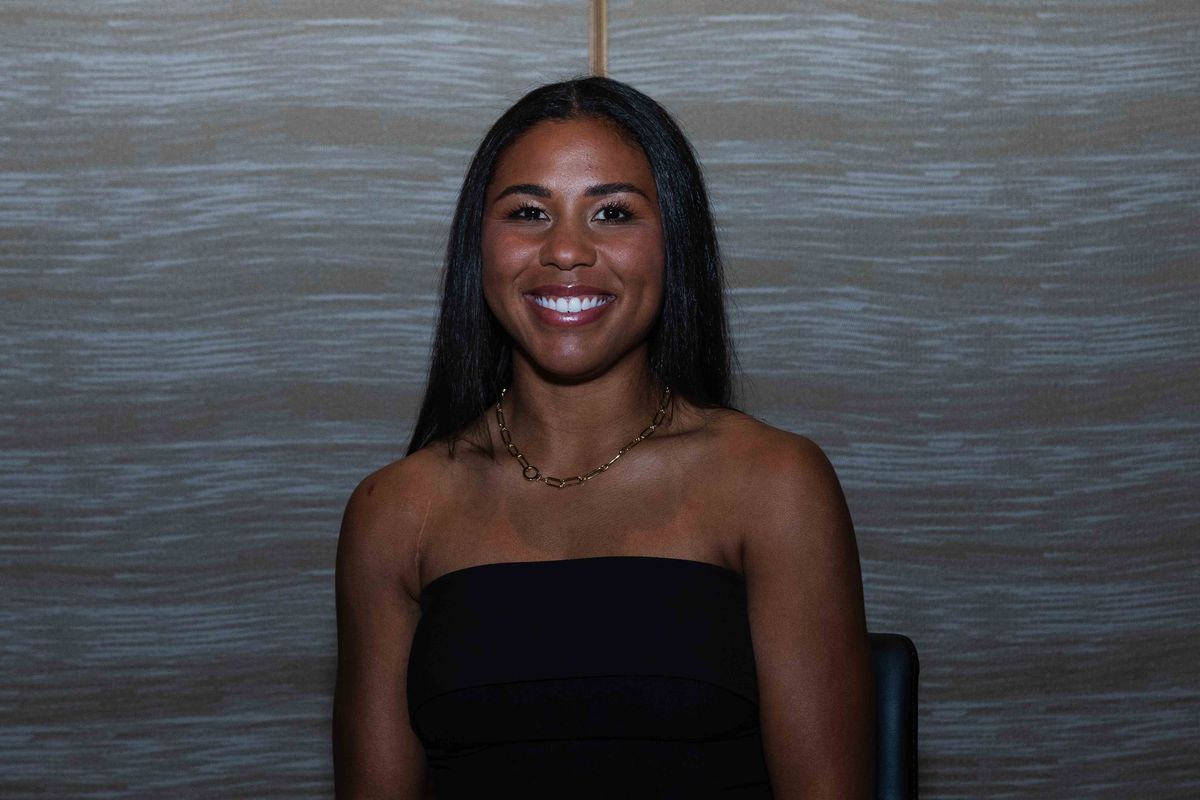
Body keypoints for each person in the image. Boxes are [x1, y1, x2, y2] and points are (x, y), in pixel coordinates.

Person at [332, 76, 874, 799]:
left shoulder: (773, 483)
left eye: (613, 213)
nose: (565, 252)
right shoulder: (395, 510)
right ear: (478, 248)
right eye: (528, 212)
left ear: (673, 243)